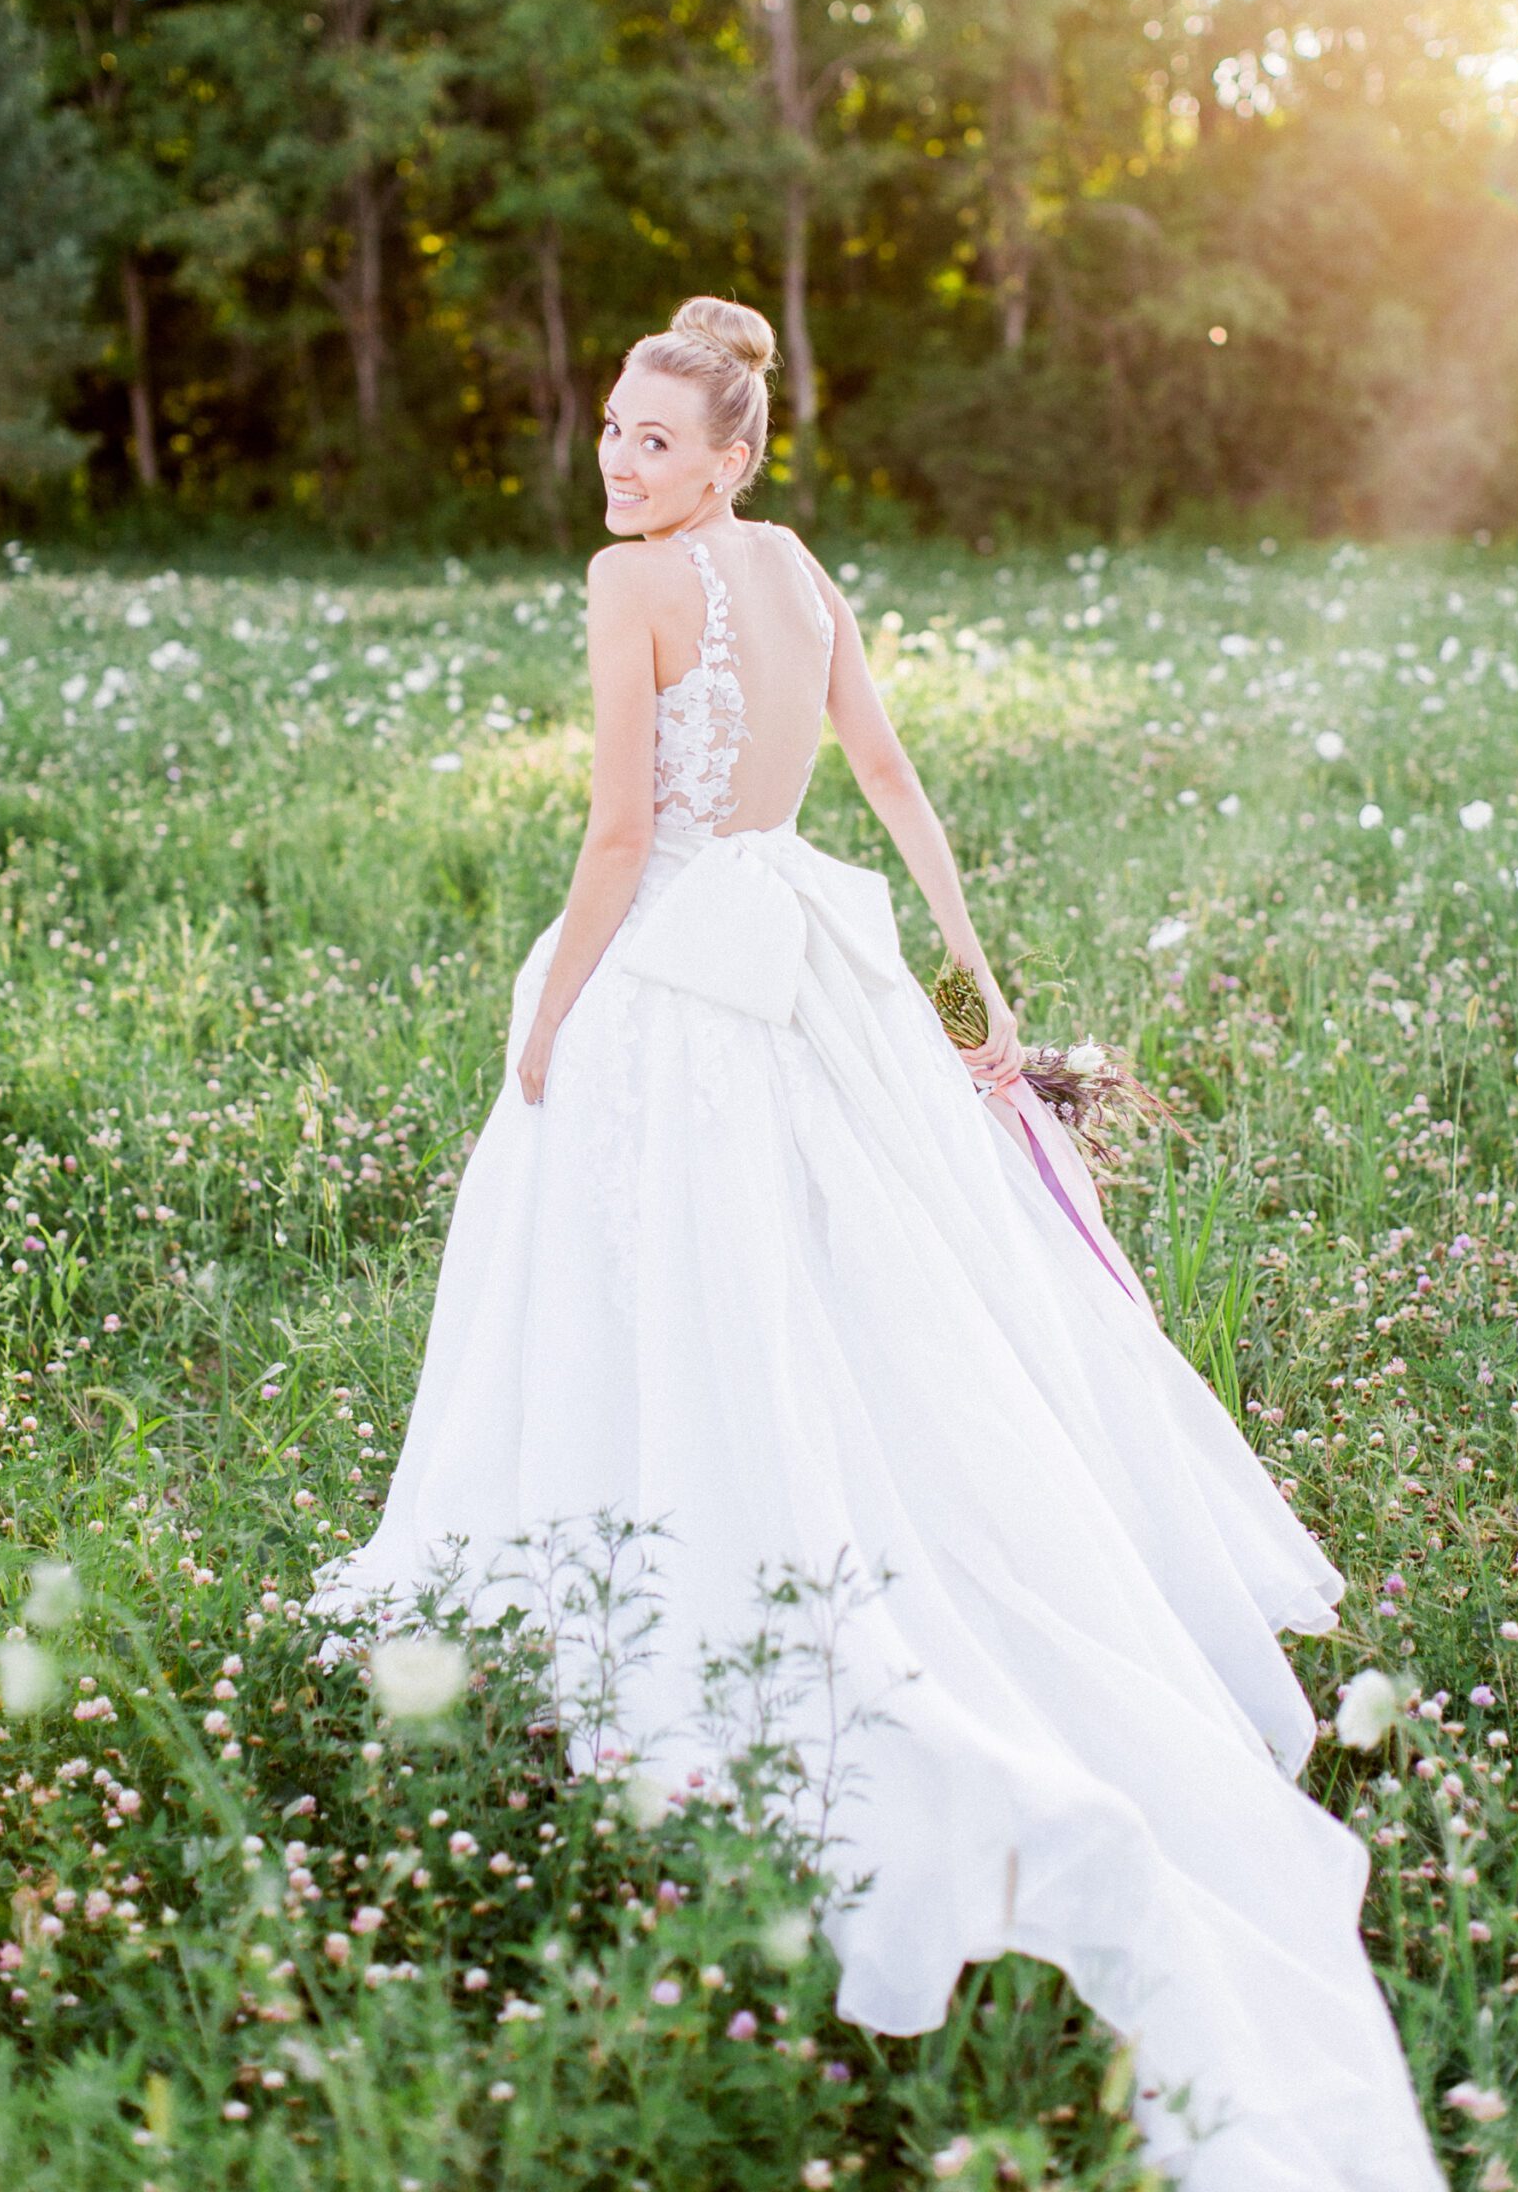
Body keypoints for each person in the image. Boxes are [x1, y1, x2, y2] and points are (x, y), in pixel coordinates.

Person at [308, 296, 1446, 2191]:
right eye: (614, 430)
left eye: (661, 442)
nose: (623, 461)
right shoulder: (799, 570)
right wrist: (974, 982)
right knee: (852, 1289)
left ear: (731, 455)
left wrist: (549, 1022)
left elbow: (612, 839)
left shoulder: (628, 586)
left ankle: (683, 1557)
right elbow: (891, 782)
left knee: (691, 1287)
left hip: (681, 966)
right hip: (811, 955)